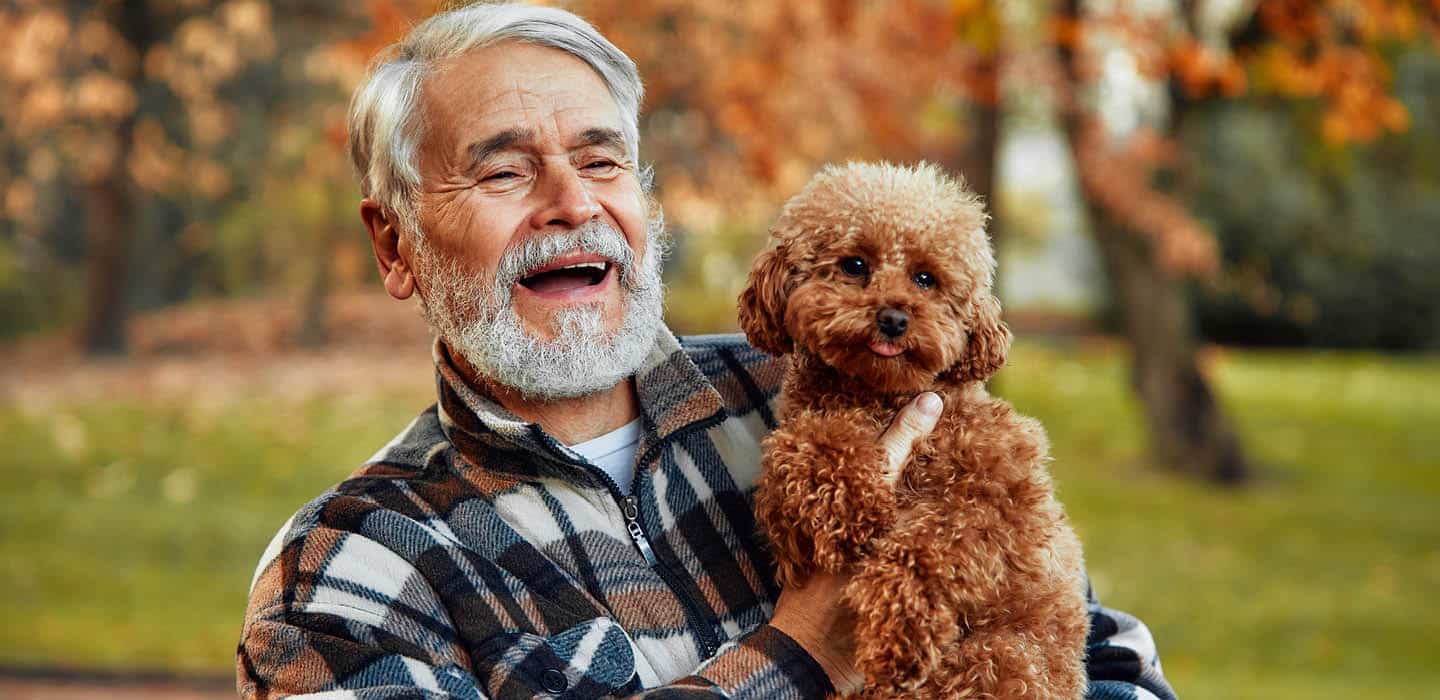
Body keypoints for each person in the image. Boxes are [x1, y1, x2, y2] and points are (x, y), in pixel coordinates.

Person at [236, 3, 1178, 699]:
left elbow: (1105, 657)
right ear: (394, 244)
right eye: (504, 169)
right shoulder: (353, 568)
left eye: (603, 161)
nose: (573, 203)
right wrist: (805, 647)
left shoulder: (830, 388)